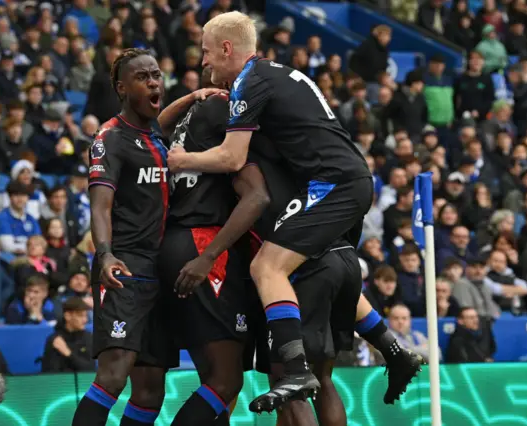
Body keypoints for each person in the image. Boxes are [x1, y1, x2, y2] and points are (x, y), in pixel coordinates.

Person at [167, 11, 374, 411]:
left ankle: (296, 368)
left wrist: (182, 160)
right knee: (321, 264)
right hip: (344, 180)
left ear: (228, 49)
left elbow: (231, 158)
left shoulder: (251, 82)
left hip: (333, 185)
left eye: (207, 53)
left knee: (267, 267)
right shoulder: (276, 73)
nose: (203, 62)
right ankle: (389, 346)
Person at [72, 48, 181, 426]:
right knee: (114, 376)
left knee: (152, 388)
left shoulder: (156, 136)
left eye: (156, 75)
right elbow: (100, 208)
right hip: (125, 267)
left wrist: (196, 96)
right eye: (142, 77)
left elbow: (162, 119)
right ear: (121, 88)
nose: (154, 82)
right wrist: (104, 255)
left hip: (162, 272)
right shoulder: (109, 138)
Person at [156, 67, 270, 426]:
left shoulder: (190, 115)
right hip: (203, 245)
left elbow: (157, 124)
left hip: (172, 242)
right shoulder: (228, 110)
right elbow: (257, 196)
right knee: (227, 379)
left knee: (213, 379)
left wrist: (191, 96)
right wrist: (208, 257)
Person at [41, 297, 95, 373]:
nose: (85, 320)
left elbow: (90, 368)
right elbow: (50, 373)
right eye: (80, 315)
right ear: (67, 316)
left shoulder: (88, 337)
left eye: (85, 316)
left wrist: (68, 353)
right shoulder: (55, 340)